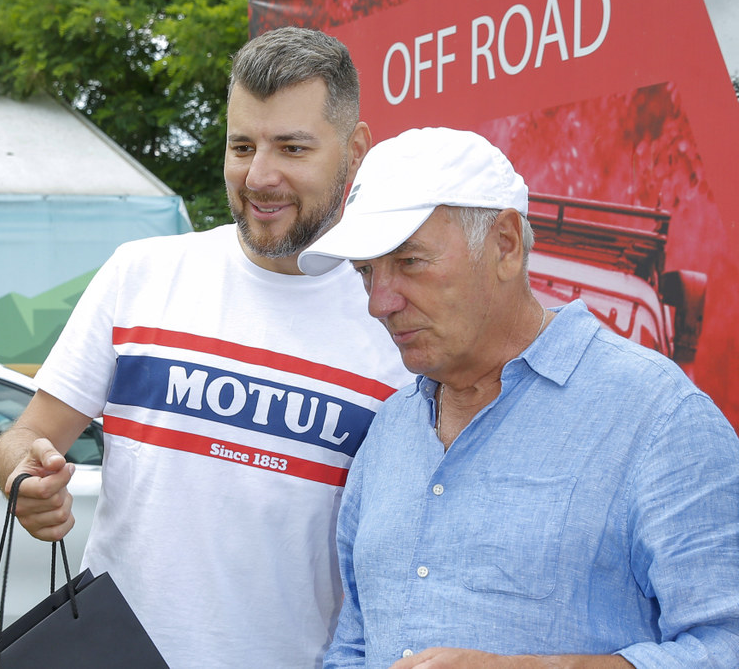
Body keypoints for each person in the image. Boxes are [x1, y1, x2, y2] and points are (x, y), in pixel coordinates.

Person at [0, 27, 412, 667]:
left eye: (292, 147)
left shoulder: (394, 323)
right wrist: (26, 477)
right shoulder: (141, 273)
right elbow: (25, 437)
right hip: (110, 656)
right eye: (242, 146)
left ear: (355, 151)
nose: (260, 176)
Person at [296, 127, 739, 668]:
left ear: (505, 244)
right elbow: (355, 645)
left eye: (409, 261)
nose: (379, 302)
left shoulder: (659, 417)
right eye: (366, 273)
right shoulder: (389, 430)